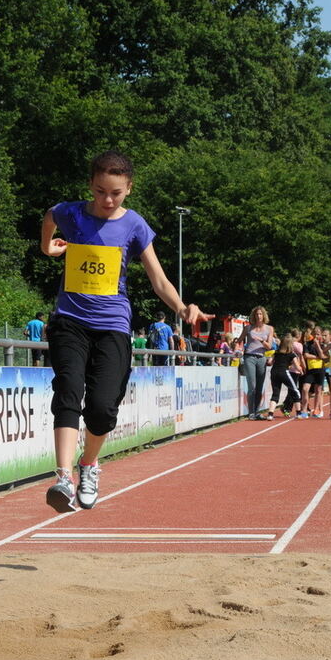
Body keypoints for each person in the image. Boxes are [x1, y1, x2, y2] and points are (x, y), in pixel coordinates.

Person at [40, 150, 208, 513]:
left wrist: (182, 308)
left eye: (115, 193)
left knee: (102, 408)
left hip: (112, 324)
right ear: (91, 186)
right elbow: (50, 215)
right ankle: (63, 477)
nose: (106, 200)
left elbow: (159, 279)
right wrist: (47, 246)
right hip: (69, 319)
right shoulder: (72, 212)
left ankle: (89, 466)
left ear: (128, 189)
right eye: (100, 191)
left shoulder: (134, 226)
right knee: (68, 389)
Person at [235, 306, 274, 420]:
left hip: (262, 358)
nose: (259, 316)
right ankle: (251, 412)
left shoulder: (269, 329)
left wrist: (262, 340)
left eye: (261, 314)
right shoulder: (248, 328)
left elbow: (269, 346)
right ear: (253, 316)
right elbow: (239, 341)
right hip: (249, 357)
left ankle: (257, 411)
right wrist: (238, 349)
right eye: (257, 314)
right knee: (252, 385)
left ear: (264, 316)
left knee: (259, 387)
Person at [266, 334, 303, 420]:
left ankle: (270, 414)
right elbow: (297, 366)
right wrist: (301, 370)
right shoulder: (291, 354)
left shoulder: (276, 352)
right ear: (290, 344)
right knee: (295, 391)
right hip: (284, 372)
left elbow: (270, 362)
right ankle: (298, 413)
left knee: (275, 393)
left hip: (274, 372)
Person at [299, 325, 325, 419]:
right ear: (312, 334)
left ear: (321, 335)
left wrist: (318, 346)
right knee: (305, 389)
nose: (316, 336)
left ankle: (316, 409)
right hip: (310, 370)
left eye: (318, 334)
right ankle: (304, 410)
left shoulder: (323, 344)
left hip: (320, 370)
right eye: (315, 334)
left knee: (318, 390)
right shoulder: (307, 344)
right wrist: (317, 357)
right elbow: (306, 355)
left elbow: (323, 355)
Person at [282, 328, 304, 417]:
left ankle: (287, 407)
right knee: (293, 389)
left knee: (291, 389)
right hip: (295, 368)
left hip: (290, 368)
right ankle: (287, 407)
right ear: (298, 336)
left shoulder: (288, 343)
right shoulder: (298, 344)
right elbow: (300, 353)